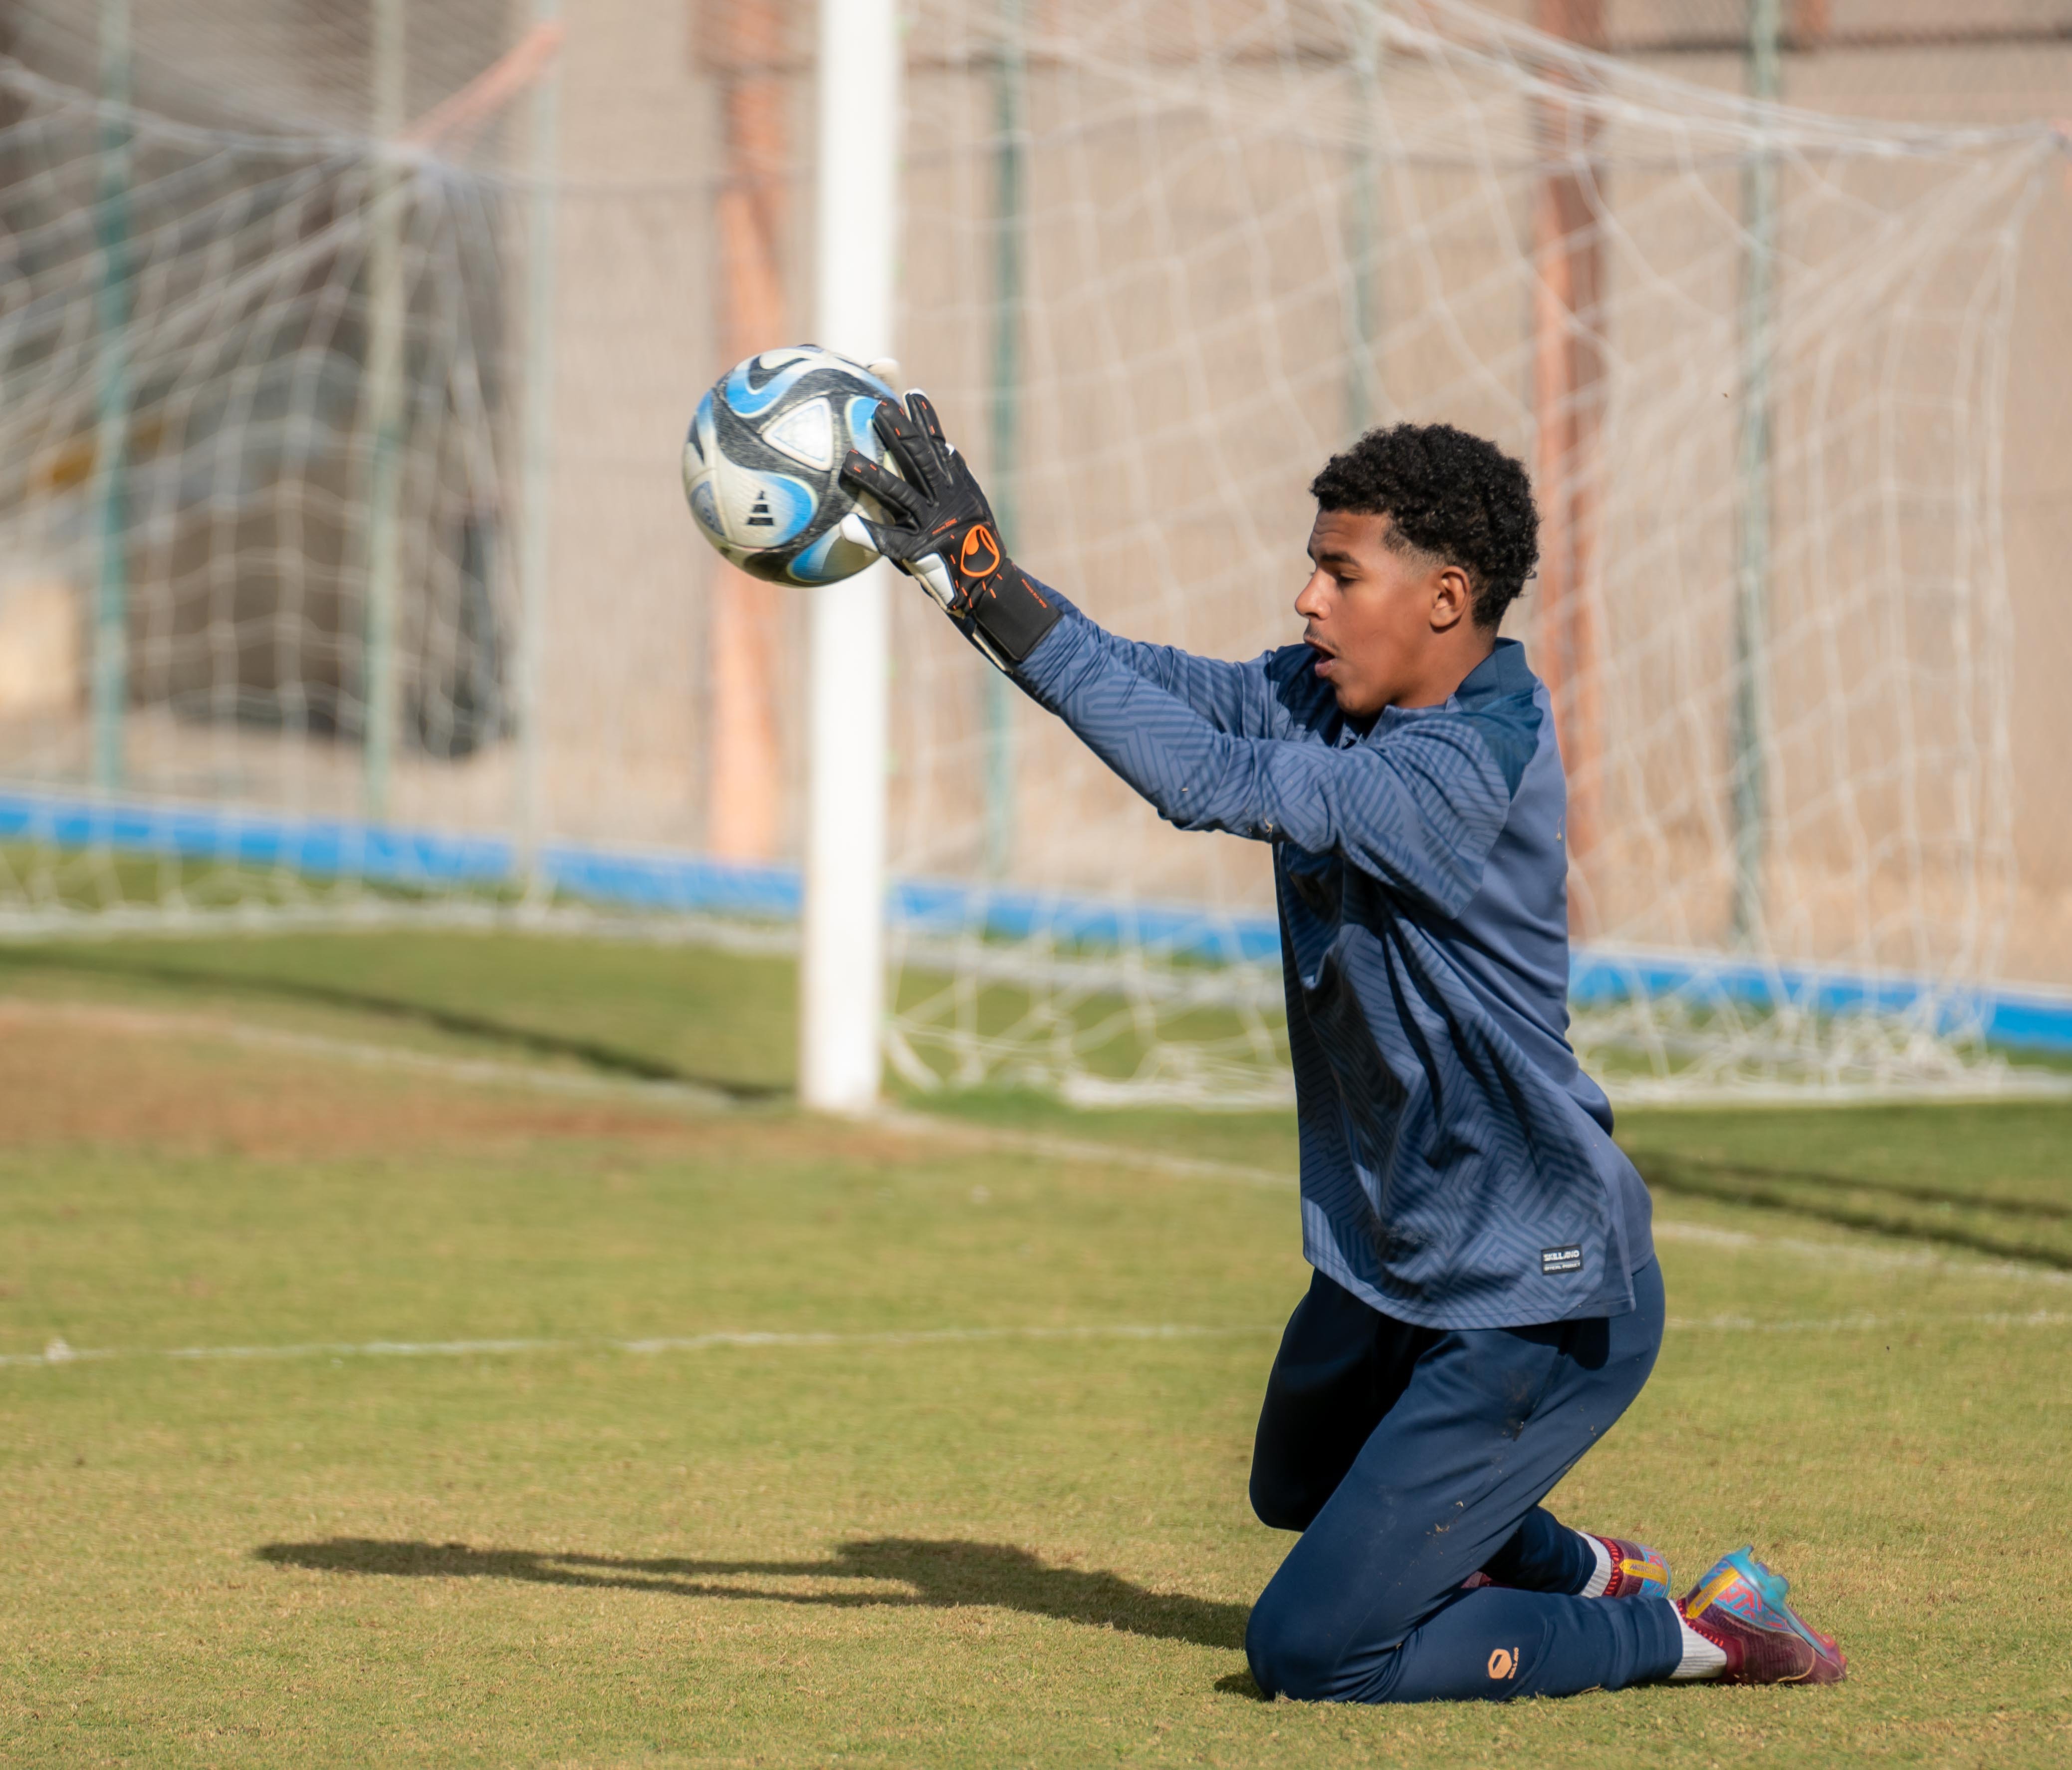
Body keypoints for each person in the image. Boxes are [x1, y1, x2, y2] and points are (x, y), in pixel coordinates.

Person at [838, 395, 1845, 1704]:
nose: (1305, 597)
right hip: (1397, 1259)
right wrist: (974, 582)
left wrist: (991, 592)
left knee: (1312, 1651)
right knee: (1297, 1482)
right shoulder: (1327, 699)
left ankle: (1704, 1633)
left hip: (1532, 1291)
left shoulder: (1464, 766)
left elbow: (1208, 780)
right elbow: (1159, 686)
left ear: (1443, 598)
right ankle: (1594, 1570)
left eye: (1337, 570)